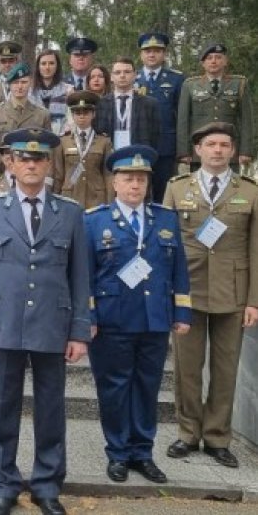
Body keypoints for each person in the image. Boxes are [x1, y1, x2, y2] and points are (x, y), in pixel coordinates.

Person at [0, 128, 90, 515]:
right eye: (23, 158)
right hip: (3, 323)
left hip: (53, 324)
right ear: (10, 163)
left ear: (49, 163)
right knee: (2, 407)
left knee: (51, 409)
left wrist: (80, 331)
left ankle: (47, 485)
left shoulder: (70, 213)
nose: (32, 164)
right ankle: (3, 484)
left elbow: (80, 275)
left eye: (39, 158)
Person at [85, 145, 191, 485]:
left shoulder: (165, 219)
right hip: (112, 319)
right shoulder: (94, 221)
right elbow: (84, 275)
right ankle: (117, 453)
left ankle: (142, 452)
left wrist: (182, 312)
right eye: (128, 179)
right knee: (114, 388)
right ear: (115, 182)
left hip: (154, 318)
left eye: (141, 180)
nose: (135, 186)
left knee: (147, 387)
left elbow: (179, 270)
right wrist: (87, 318)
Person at [163, 121, 258, 469]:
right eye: (211, 144)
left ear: (233, 151)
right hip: (187, 290)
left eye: (224, 145)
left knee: (225, 368)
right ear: (198, 150)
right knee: (187, 367)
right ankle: (188, 433)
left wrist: (253, 300)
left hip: (233, 292)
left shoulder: (249, 190)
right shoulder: (177, 188)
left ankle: (218, 437)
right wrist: (168, 293)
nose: (217, 150)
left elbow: (256, 248)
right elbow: (166, 246)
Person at [176, 43, 255, 171]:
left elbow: (247, 120)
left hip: (229, 150)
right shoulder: (190, 85)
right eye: (209, 58)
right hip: (200, 151)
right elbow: (183, 121)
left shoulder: (239, 84)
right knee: (199, 188)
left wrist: (245, 150)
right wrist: (184, 152)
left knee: (231, 188)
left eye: (218, 57)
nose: (213, 61)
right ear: (203, 63)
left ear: (225, 61)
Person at [0, 63, 51, 177]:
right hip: (1, 175)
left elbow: (48, 151)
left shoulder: (42, 114)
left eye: (24, 82)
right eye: (15, 82)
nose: (20, 86)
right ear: (9, 85)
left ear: (30, 83)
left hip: (31, 174)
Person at [136, 33, 183, 201]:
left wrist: (182, 147)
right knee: (138, 190)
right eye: (147, 51)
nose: (151, 54)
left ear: (164, 54)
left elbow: (181, 115)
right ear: (141, 54)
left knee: (164, 193)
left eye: (157, 50)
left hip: (166, 147)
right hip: (138, 145)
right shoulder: (132, 78)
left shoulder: (177, 79)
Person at [52, 92, 114, 209]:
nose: (82, 116)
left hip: (97, 197)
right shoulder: (63, 141)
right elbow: (58, 174)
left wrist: (110, 203)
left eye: (86, 112)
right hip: (69, 196)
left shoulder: (104, 141)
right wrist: (55, 199)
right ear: (72, 115)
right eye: (77, 113)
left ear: (93, 114)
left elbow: (108, 174)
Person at [93, 57, 161, 151]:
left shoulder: (150, 104)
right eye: (117, 72)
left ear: (135, 75)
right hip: (109, 156)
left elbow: (156, 137)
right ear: (111, 77)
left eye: (127, 72)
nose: (122, 76)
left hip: (139, 157)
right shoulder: (100, 104)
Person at [31, 49, 73, 135]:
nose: (47, 67)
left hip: (60, 140)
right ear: (38, 67)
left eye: (51, 63)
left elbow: (71, 121)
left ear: (57, 66)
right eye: (43, 63)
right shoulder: (29, 92)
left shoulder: (68, 90)